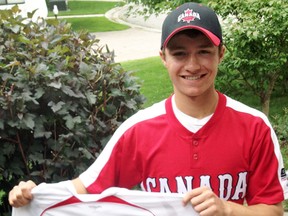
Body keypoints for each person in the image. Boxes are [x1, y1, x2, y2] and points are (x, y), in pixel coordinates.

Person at [9, 2, 287, 215]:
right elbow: (84, 188)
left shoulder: (254, 126)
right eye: (179, 53)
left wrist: (227, 209)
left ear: (221, 53)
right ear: (163, 58)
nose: (192, 65)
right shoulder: (139, 130)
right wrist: (35, 193)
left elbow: (273, 209)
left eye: (204, 51)